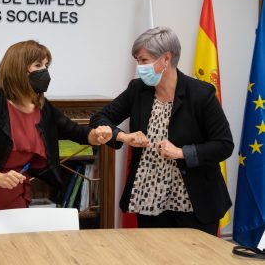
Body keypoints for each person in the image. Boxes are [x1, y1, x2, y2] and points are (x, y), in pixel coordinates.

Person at [0, 40, 112, 236]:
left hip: (13, 190)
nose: (45, 72)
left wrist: (98, 135)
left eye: (47, 66)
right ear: (19, 68)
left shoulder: (42, 106)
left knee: (12, 248)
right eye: (38, 65)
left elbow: (78, 133)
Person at [89, 27, 234, 235]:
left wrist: (182, 152)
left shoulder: (201, 94)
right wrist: (123, 136)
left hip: (194, 201)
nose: (139, 67)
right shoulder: (138, 90)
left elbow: (224, 144)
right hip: (149, 199)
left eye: (144, 60)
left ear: (166, 59)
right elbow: (98, 119)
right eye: (138, 61)